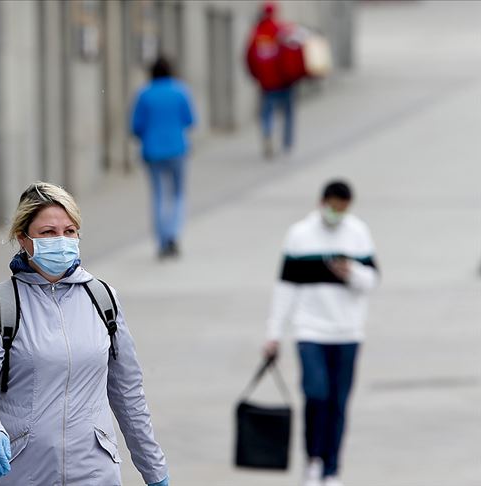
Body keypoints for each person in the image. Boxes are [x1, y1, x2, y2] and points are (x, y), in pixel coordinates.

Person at [0, 181, 169, 486]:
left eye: (69, 231)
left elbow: (128, 394)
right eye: (48, 233)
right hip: (20, 474)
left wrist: (155, 470)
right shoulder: (1, 304)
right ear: (23, 239)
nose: (61, 240)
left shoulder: (102, 299)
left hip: (94, 473)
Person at [263, 180, 379, 486]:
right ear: (322, 202)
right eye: (333, 207)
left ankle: (332, 468)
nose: (337, 214)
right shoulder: (300, 235)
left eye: (343, 209)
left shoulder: (358, 233)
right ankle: (313, 458)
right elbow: (285, 288)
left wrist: (351, 272)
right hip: (310, 329)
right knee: (316, 393)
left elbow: (372, 279)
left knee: (339, 402)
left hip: (348, 332)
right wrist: (274, 332)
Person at [131, 56, 197, 259]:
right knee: (177, 194)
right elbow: (190, 120)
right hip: (177, 149)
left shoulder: (144, 94)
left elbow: (135, 126)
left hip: (152, 151)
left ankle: (161, 241)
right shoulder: (180, 91)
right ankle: (173, 235)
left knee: (158, 195)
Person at [245, 1, 299, 159]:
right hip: (285, 82)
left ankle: (268, 135)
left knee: (266, 113)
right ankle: (287, 142)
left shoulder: (257, 33)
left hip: (267, 83)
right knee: (288, 113)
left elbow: (249, 57)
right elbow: (293, 54)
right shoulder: (283, 30)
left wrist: (257, 76)